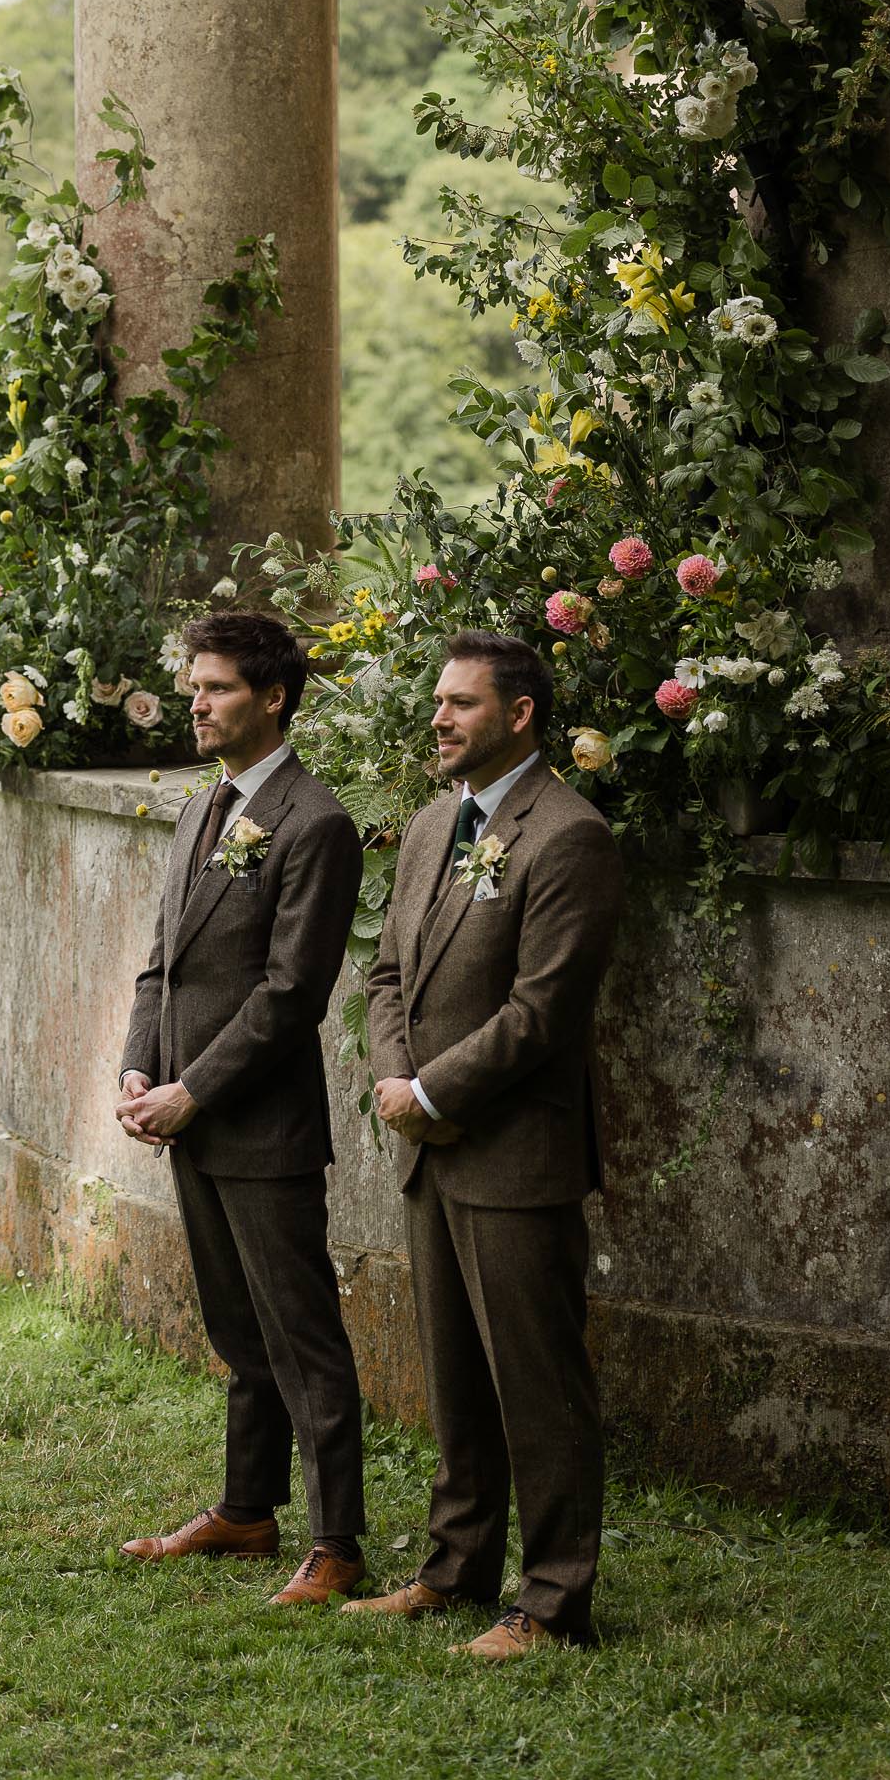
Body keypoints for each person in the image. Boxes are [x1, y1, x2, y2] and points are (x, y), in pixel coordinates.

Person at [344, 630, 623, 1659]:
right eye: (437, 700)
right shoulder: (428, 826)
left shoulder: (568, 834)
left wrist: (429, 1086)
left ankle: (554, 1601)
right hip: (431, 1145)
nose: (439, 717)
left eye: (462, 702)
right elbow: (384, 972)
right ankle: (455, 1569)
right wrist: (393, 1077)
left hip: (514, 1151)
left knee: (536, 1381)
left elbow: (543, 1010)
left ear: (520, 714)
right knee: (455, 1375)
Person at [115, 611, 367, 1605]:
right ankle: (247, 1510)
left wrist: (194, 1088)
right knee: (237, 1331)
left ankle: (339, 1540)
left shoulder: (317, 822)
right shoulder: (201, 807)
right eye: (193, 686)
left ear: (272, 697)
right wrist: (141, 1070)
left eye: (214, 686)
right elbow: (160, 960)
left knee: (303, 1339)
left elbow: (290, 995)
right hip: (186, 1113)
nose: (195, 701)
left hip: (258, 1124)